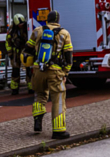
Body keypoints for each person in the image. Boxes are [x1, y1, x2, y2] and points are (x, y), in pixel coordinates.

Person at [23, 10, 73, 139]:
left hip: (38, 70)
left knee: (40, 95)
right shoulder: (64, 33)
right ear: (58, 21)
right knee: (58, 99)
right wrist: (65, 72)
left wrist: (29, 68)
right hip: (55, 72)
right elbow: (68, 56)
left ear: (47, 20)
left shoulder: (37, 31)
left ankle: (38, 122)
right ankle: (58, 130)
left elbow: (27, 50)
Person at [5, 14, 31, 96]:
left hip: (25, 51)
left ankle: (31, 87)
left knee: (29, 70)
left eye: (22, 24)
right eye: (20, 25)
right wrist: (10, 53)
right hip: (15, 53)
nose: (21, 26)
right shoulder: (11, 31)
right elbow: (7, 42)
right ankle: (14, 89)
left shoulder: (27, 29)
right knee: (15, 71)